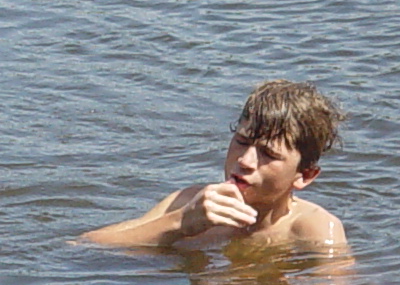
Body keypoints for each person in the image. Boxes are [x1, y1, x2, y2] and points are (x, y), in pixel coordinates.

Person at [80, 80, 348, 252]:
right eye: (241, 141)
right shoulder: (189, 202)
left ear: (304, 175)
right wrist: (179, 223)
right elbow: (87, 246)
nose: (245, 160)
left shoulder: (313, 230)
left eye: (268, 154)